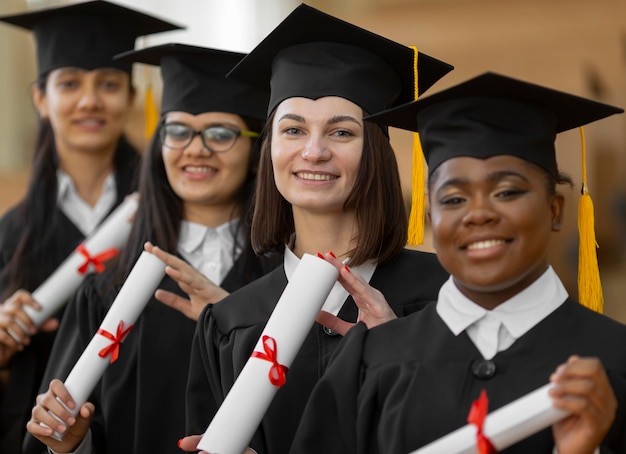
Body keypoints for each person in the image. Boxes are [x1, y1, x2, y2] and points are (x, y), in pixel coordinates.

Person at [289, 72, 626, 454]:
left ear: (555, 209)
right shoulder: (371, 361)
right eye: (453, 199)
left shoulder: (615, 359)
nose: (478, 214)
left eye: (507, 191)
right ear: (431, 218)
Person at [180, 5, 453, 454]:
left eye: (341, 133)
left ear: (377, 152)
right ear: (270, 151)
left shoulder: (445, 296)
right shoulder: (231, 322)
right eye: (292, 130)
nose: (313, 151)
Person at [24, 43, 281, 454]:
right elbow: (56, 432)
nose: (195, 148)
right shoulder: (106, 292)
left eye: (220, 133)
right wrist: (71, 442)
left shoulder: (286, 283)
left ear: (256, 150)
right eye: (177, 131)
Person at [0, 2, 180, 452]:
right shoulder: (10, 233)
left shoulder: (172, 213)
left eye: (108, 83)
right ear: (41, 99)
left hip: (148, 428)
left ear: (132, 97)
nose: (90, 100)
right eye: (69, 83)